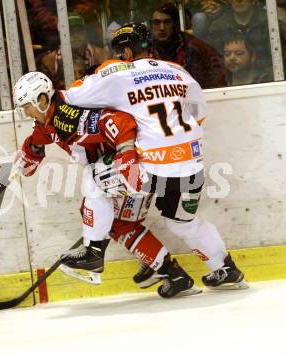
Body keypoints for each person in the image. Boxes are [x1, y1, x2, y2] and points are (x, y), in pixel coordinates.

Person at [62, 23, 248, 290]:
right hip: (191, 166)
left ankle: (93, 252)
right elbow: (199, 112)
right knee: (183, 223)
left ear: (125, 51)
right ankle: (225, 268)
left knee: (94, 177)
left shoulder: (118, 72)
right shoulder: (178, 70)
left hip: (151, 171)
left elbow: (70, 98)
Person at [12, 71, 201, 298]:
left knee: (94, 185)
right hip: (123, 170)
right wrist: (30, 151)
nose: (26, 112)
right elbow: (41, 136)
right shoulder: (50, 119)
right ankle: (170, 273)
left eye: (27, 106)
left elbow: (121, 122)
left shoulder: (67, 116)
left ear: (42, 100)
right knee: (120, 225)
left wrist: (126, 155)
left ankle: (93, 254)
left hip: (130, 167)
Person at [149, 2, 227, 89]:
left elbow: (218, 76)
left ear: (175, 24)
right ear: (151, 25)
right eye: (156, 23)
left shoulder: (195, 47)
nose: (162, 28)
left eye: (167, 22)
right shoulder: (146, 49)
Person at [207, 0, 272, 72]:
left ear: (253, 1)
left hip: (266, 77)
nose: (238, 1)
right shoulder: (217, 28)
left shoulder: (270, 23)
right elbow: (216, 63)